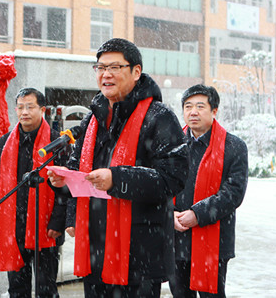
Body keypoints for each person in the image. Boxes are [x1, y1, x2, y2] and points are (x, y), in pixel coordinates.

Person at [47, 38, 188, 298]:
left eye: (114, 67)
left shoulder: (159, 116)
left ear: (136, 72)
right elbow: (77, 166)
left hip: (138, 251)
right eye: (100, 67)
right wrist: (63, 181)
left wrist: (117, 179)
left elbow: (173, 178)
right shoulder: (93, 117)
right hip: (95, 245)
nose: (106, 74)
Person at [169, 85, 248, 298]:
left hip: (214, 238)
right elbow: (161, 184)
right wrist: (170, 213)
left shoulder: (233, 146)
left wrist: (198, 214)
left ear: (214, 111)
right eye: (188, 107)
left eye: (200, 106)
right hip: (177, 236)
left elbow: (233, 192)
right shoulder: (172, 144)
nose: (193, 112)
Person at [0, 88, 68, 298]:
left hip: (45, 226)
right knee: (17, 288)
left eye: (30, 107)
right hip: (13, 225)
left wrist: (58, 222)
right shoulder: (5, 142)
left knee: (46, 288)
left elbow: (65, 187)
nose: (24, 112)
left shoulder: (56, 142)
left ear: (42, 110)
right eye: (20, 107)